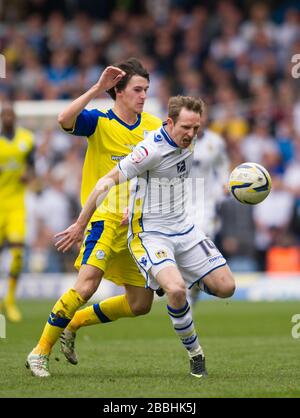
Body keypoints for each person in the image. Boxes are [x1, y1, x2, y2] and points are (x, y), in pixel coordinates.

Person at [53, 96, 236, 378]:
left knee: (226, 288)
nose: (191, 134)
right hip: (150, 234)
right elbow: (105, 182)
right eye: (186, 127)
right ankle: (195, 354)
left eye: (196, 128)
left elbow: (158, 181)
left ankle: (178, 277)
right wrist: (80, 223)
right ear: (169, 122)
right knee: (175, 291)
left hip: (184, 228)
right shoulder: (149, 149)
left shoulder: (189, 140)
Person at [26, 58, 162, 377]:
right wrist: (97, 89)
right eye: (137, 90)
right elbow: (63, 118)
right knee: (86, 286)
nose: (143, 96)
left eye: (146, 90)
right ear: (119, 91)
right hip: (103, 217)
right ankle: (39, 352)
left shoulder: (155, 127)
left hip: (137, 224)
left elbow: (162, 174)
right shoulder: (99, 121)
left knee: (141, 304)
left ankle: (75, 322)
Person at [187, 111, 230, 306]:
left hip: (206, 205)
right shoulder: (177, 140)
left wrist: (225, 184)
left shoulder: (215, 142)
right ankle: (191, 286)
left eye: (201, 118)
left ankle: (192, 288)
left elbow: (222, 167)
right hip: (180, 204)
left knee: (202, 242)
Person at [0, 102, 35, 322]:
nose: (8, 118)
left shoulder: (26, 140)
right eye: (5, 115)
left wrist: (28, 174)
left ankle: (10, 301)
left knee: (18, 254)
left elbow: (32, 167)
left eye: (11, 114)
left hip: (16, 205)